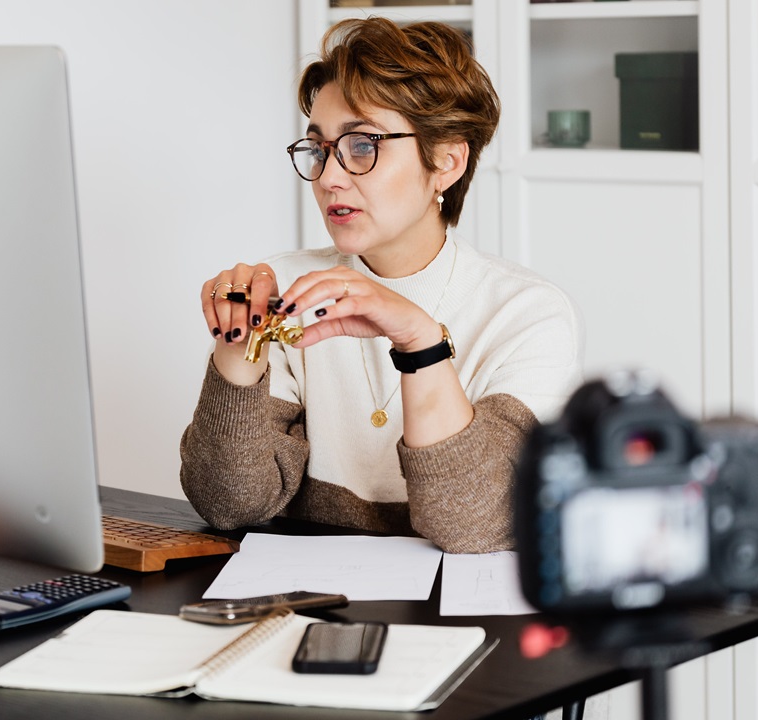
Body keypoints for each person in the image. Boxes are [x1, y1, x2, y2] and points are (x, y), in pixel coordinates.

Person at [180, 17, 583, 554]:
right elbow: (230, 504)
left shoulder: (527, 314)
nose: (329, 177)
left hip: (460, 620)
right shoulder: (287, 288)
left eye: (363, 145)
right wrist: (237, 349)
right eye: (319, 148)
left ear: (446, 161)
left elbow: (476, 524)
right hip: (312, 605)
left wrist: (421, 343)